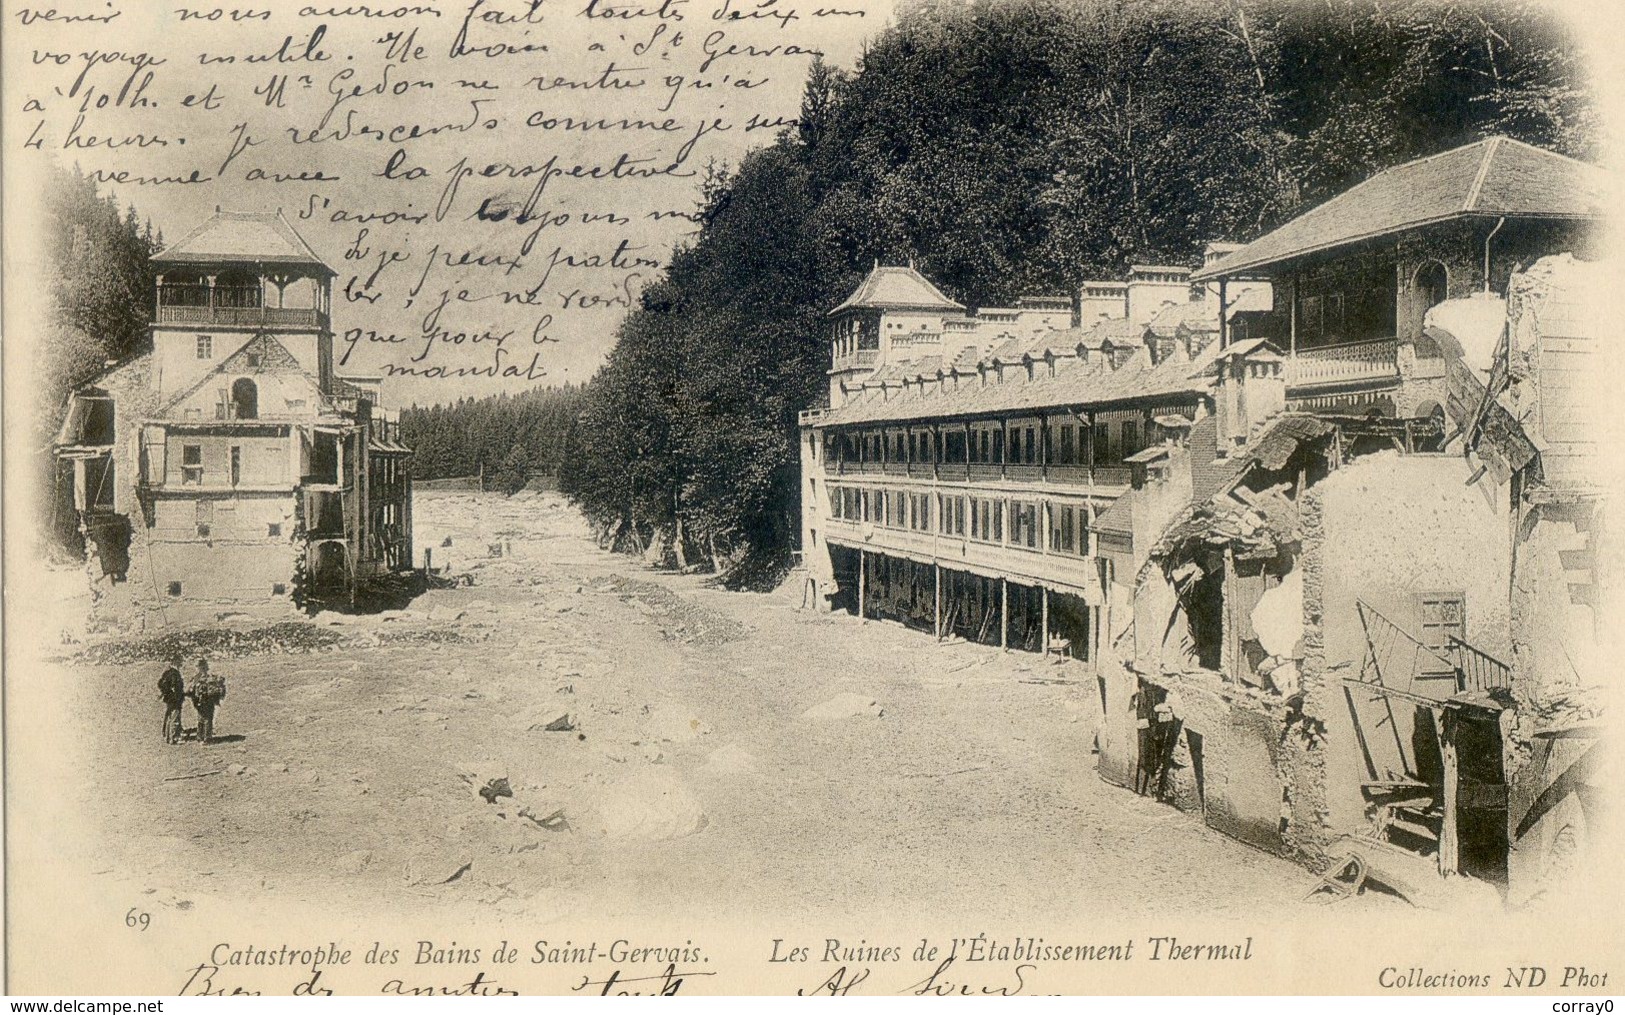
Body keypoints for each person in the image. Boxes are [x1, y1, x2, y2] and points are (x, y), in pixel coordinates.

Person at [191, 658, 226, 744]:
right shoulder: (211, 677)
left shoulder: (196, 678)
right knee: (208, 719)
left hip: (198, 701)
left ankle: (200, 737)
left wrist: (195, 701)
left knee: (200, 718)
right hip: (209, 700)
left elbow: (190, 690)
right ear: (206, 667)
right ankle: (207, 738)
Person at [158, 659, 185, 744]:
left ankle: (167, 737)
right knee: (175, 717)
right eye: (180, 663)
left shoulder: (167, 673)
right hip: (175, 699)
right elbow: (176, 687)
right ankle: (174, 738)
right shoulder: (175, 674)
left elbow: (160, 684)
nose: (181, 665)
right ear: (176, 663)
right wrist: (179, 697)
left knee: (169, 717)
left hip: (168, 698)